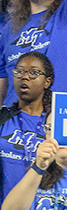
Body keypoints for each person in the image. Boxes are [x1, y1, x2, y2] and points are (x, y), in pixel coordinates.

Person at [0, 53, 53, 199]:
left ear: (47, 82)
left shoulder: (56, 123)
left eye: (34, 73)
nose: (24, 77)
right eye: (19, 72)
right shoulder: (2, 118)